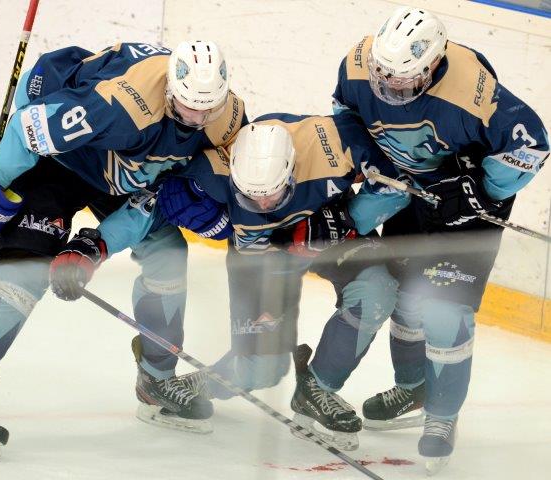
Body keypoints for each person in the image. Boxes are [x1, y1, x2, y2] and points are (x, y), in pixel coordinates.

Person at [0, 40, 246, 457]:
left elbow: (159, 198)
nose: (196, 120)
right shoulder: (119, 105)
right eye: (187, 108)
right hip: (59, 163)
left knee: (167, 254)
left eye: (206, 110)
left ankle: (156, 380)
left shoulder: (228, 119)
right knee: (25, 276)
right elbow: (28, 128)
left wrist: (97, 245)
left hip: (120, 172)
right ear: (171, 89)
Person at [308, 5, 549, 473]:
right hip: (412, 193)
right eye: (383, 76)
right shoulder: (358, 64)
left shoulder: (471, 89)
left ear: (433, 64)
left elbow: (532, 143)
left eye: (403, 80)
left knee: (444, 312)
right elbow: (346, 114)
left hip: (466, 207)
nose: (389, 87)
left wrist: (480, 190)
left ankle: (442, 417)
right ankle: (414, 387)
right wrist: (371, 160)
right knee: (406, 299)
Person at [153, 111, 400, 450]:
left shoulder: (335, 141)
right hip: (270, 253)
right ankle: (199, 384)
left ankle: (317, 390)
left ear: (291, 171)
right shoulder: (214, 175)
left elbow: (398, 183)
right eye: (250, 196)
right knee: (261, 369)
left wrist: (346, 217)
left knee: (377, 292)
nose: (263, 204)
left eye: (272, 194)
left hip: (330, 227)